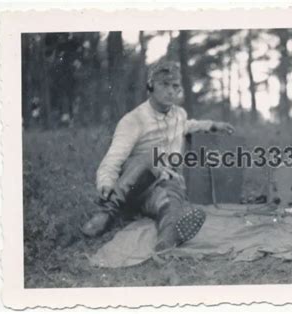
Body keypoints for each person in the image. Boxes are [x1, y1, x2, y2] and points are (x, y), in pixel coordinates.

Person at [81, 61, 235, 251]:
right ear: (151, 86)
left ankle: (167, 238)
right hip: (133, 188)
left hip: (160, 188)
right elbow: (114, 158)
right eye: (164, 84)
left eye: (175, 86)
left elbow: (188, 125)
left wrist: (212, 125)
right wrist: (105, 183)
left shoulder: (179, 114)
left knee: (171, 199)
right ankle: (107, 212)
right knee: (153, 157)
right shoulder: (134, 119)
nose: (171, 91)